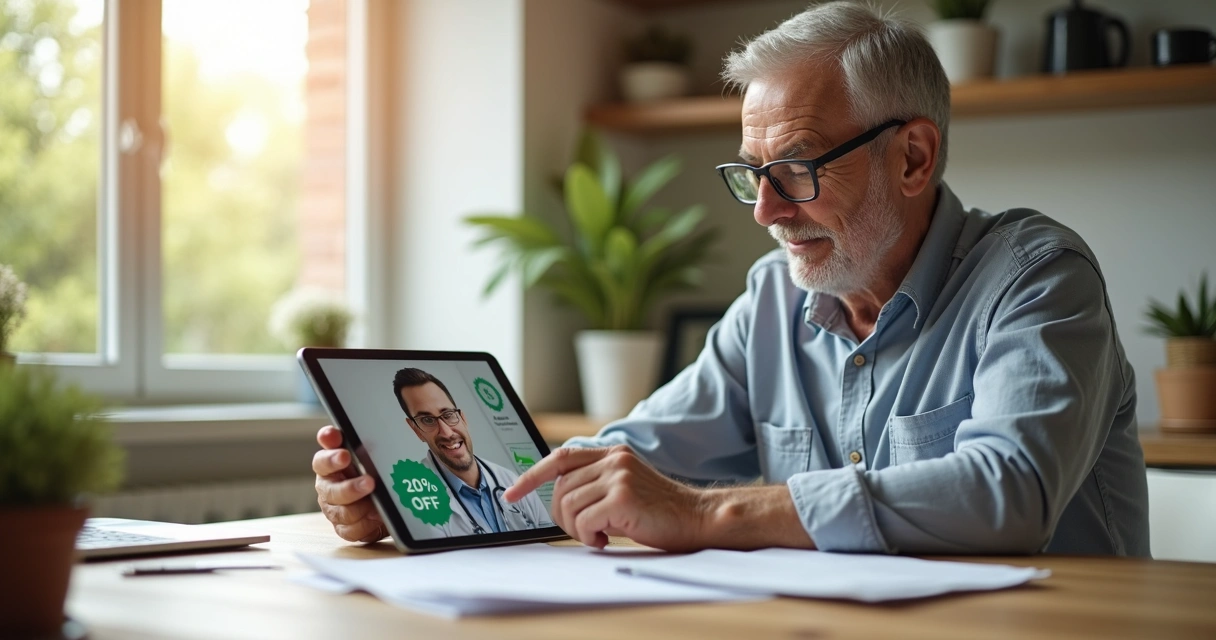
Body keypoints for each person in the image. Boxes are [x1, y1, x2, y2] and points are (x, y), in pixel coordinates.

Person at [314, 1, 1150, 555]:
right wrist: (397, 500)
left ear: (913, 156)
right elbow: (624, 460)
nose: (766, 212)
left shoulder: (1038, 278)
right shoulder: (774, 300)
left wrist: (713, 512)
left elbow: (1012, 491)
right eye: (752, 173)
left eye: (796, 168)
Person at [312, 368, 551, 542]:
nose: (446, 432)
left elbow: (553, 541)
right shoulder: (412, 498)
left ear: (463, 418)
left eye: (448, 414)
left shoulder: (514, 481)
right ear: (415, 429)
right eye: (427, 420)